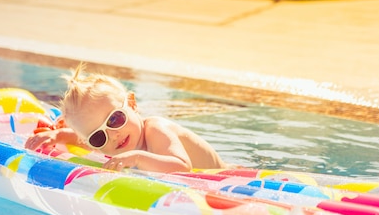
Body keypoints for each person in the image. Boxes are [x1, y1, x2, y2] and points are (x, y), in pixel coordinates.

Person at [24, 63, 227, 173]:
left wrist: (137, 158)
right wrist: (58, 136)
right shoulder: (111, 140)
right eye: (98, 137)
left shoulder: (156, 128)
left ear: (131, 104)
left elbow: (182, 166)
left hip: (227, 176)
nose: (113, 135)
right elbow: (84, 142)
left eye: (114, 119)